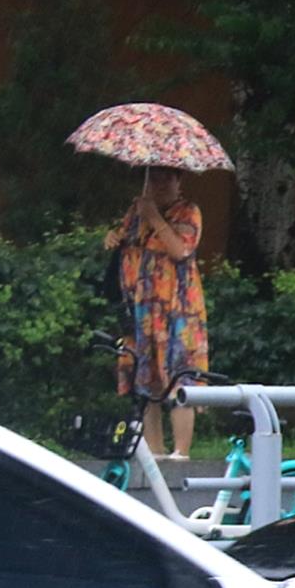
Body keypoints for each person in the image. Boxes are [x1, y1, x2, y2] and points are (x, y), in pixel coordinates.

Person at [104, 166, 209, 461]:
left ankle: (181, 452)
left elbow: (180, 250)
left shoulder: (188, 212)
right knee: (146, 377)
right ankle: (155, 451)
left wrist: (154, 217)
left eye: (167, 178)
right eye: (154, 177)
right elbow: (126, 243)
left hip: (178, 308)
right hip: (143, 308)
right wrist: (112, 237)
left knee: (180, 374)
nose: (160, 184)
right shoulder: (136, 212)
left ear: (179, 182)